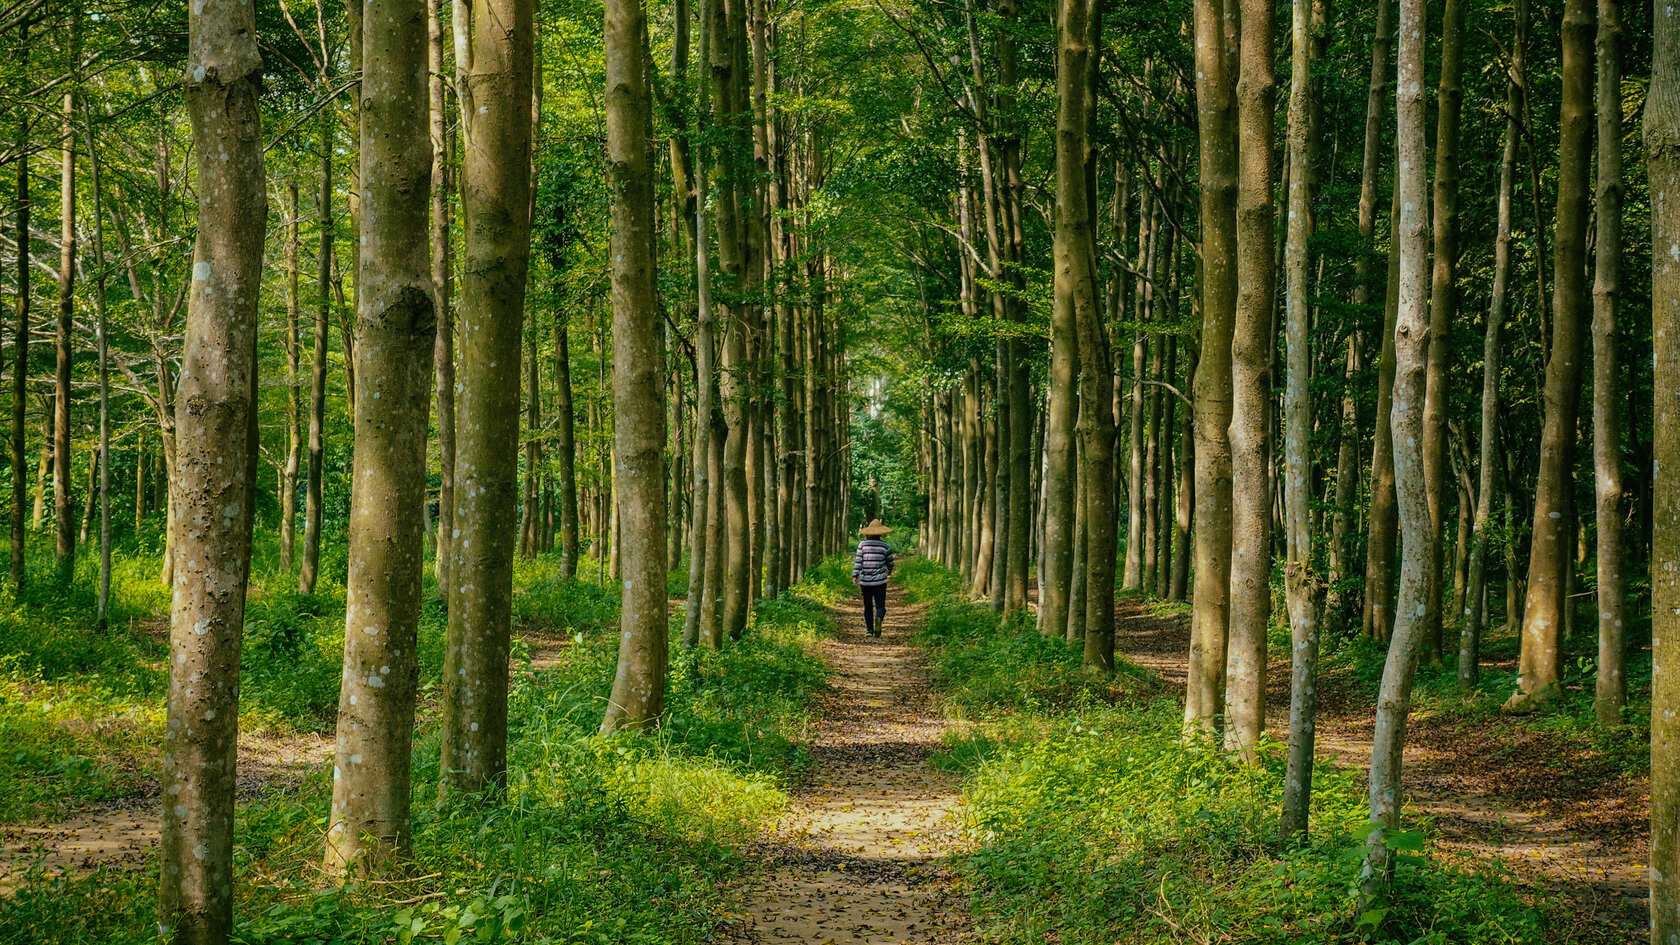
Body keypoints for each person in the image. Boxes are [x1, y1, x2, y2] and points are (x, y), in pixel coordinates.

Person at [851, 520, 895, 638]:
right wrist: (889, 571)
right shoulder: (885, 546)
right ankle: (879, 618)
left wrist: (855, 576)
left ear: (868, 533)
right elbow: (890, 562)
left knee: (868, 606)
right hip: (880, 581)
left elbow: (858, 562)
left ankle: (869, 630)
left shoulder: (862, 545)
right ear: (880, 533)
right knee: (880, 606)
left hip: (865, 582)